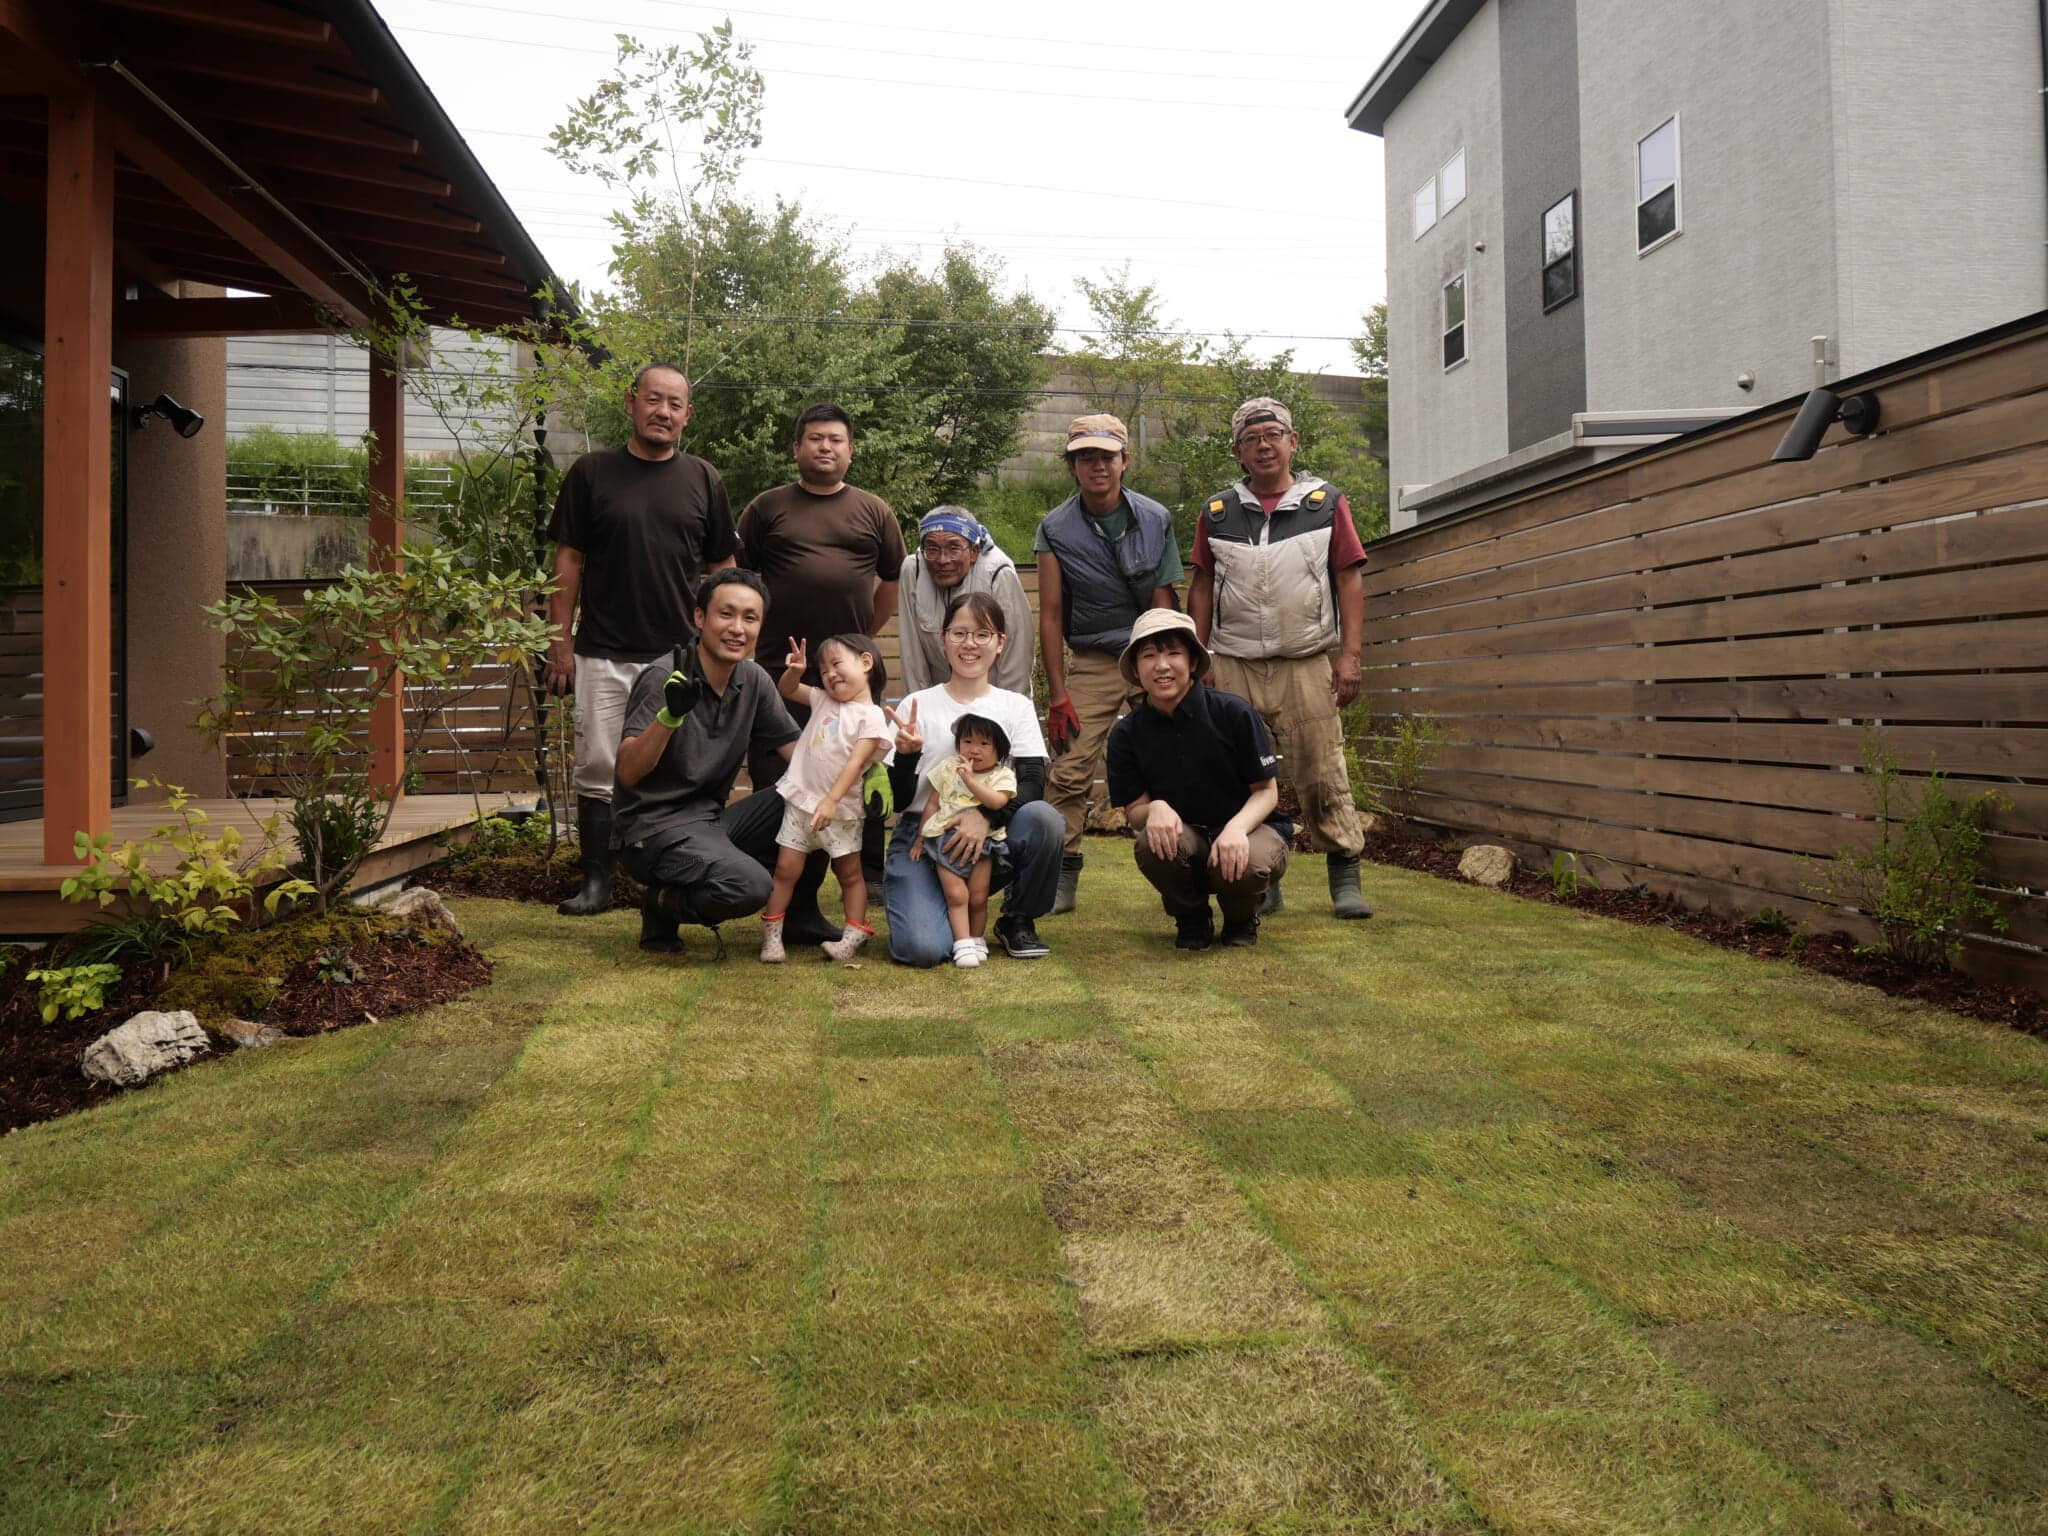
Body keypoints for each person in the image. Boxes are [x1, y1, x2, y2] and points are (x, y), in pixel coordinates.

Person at [545, 362, 737, 918]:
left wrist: (723, 642)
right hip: (602, 649)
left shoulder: (704, 479)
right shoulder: (591, 473)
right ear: (631, 403)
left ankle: (664, 871)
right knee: (599, 765)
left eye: (675, 404)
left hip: (679, 655)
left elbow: (723, 566)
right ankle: (597, 884)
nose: (663, 412)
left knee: (673, 768)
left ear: (687, 416)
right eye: (654, 400)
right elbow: (568, 559)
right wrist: (560, 642)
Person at [1188, 396, 1373, 921]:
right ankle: (1261, 874)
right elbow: (1200, 585)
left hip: (1306, 660)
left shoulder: (1325, 502)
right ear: (1238, 452)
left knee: (1321, 769)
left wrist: (1351, 656)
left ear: (1292, 442)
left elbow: (1350, 579)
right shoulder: (1218, 511)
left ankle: (1345, 872)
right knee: (1242, 775)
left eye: (1273, 434)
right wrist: (1199, 660)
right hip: (1235, 663)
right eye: (1252, 438)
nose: (1264, 444)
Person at [612, 569, 817, 955]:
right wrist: (669, 718)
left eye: (750, 618)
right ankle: (660, 904)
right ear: (700, 618)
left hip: (711, 822)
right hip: (652, 830)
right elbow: (628, 772)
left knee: (816, 796)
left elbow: (803, 756)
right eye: (726, 614)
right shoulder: (663, 677)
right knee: (750, 886)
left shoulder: (753, 679)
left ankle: (801, 916)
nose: (737, 628)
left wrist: (865, 762)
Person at [1034, 413, 1181, 918]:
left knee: (1181, 756)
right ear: (1072, 466)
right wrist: (1058, 693)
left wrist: (1168, 668)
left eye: (1106, 456)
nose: (1097, 465)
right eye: (1085, 457)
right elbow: (1050, 614)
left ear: (1125, 460)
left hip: (1149, 650)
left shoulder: (1156, 518)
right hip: (1094, 658)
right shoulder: (1054, 528)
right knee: (1070, 765)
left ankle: (1198, 861)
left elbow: (1164, 603)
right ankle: (1060, 871)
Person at [880, 591, 1061, 966]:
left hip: (993, 835)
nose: (969, 644)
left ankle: (1018, 918)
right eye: (959, 633)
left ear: (1000, 644)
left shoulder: (1015, 706)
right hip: (923, 832)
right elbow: (896, 802)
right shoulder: (917, 704)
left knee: (1045, 818)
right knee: (924, 948)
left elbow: (1030, 782)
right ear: (943, 638)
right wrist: (906, 755)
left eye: (982, 634)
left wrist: (986, 817)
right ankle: (942, 908)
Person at [737, 404, 908, 796]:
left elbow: (894, 578)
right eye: (815, 439)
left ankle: (857, 858)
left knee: (854, 770)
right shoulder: (767, 507)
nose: (825, 447)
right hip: (777, 666)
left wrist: (862, 636)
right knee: (774, 770)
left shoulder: (875, 510)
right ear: (797, 448)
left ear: (850, 450)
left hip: (851, 673)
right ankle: (770, 857)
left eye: (835, 440)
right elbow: (739, 578)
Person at [1107, 609, 1290, 950]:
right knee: (1150, 843)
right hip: (1186, 839)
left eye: (1173, 652)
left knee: (1246, 861)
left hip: (1248, 830)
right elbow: (1134, 811)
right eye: (1149, 655)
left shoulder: (1234, 713)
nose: (1162, 665)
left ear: (1192, 662)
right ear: (1135, 669)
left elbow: (1266, 792)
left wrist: (1236, 829)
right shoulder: (1126, 735)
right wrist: (1155, 808)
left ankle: (1240, 917)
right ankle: (1191, 917)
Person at [760, 634, 892, 964]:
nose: (829, 674)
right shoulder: (823, 700)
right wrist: (795, 671)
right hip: (802, 802)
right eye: (822, 671)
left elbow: (855, 763)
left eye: (836, 664)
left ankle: (853, 935)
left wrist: (831, 801)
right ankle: (772, 936)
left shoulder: (872, 716)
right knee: (786, 870)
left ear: (865, 662)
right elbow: (787, 690)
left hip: (841, 812)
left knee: (849, 874)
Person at [910, 714, 1018, 968]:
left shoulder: (1002, 775)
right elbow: (933, 804)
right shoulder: (948, 768)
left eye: (984, 744)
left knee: (978, 897)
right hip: (943, 839)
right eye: (967, 741)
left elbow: (998, 802)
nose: (974, 749)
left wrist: (969, 780)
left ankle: (977, 939)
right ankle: (962, 944)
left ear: (999, 749)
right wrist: (919, 838)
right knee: (957, 895)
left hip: (984, 844)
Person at [897, 506, 1034, 696]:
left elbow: (1016, 650)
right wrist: (919, 707)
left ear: (974, 552)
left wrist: (1008, 711)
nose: (943, 560)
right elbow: (911, 646)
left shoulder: (998, 572)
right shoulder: (914, 569)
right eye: (933, 549)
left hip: (992, 694)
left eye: (954, 548)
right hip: (939, 697)